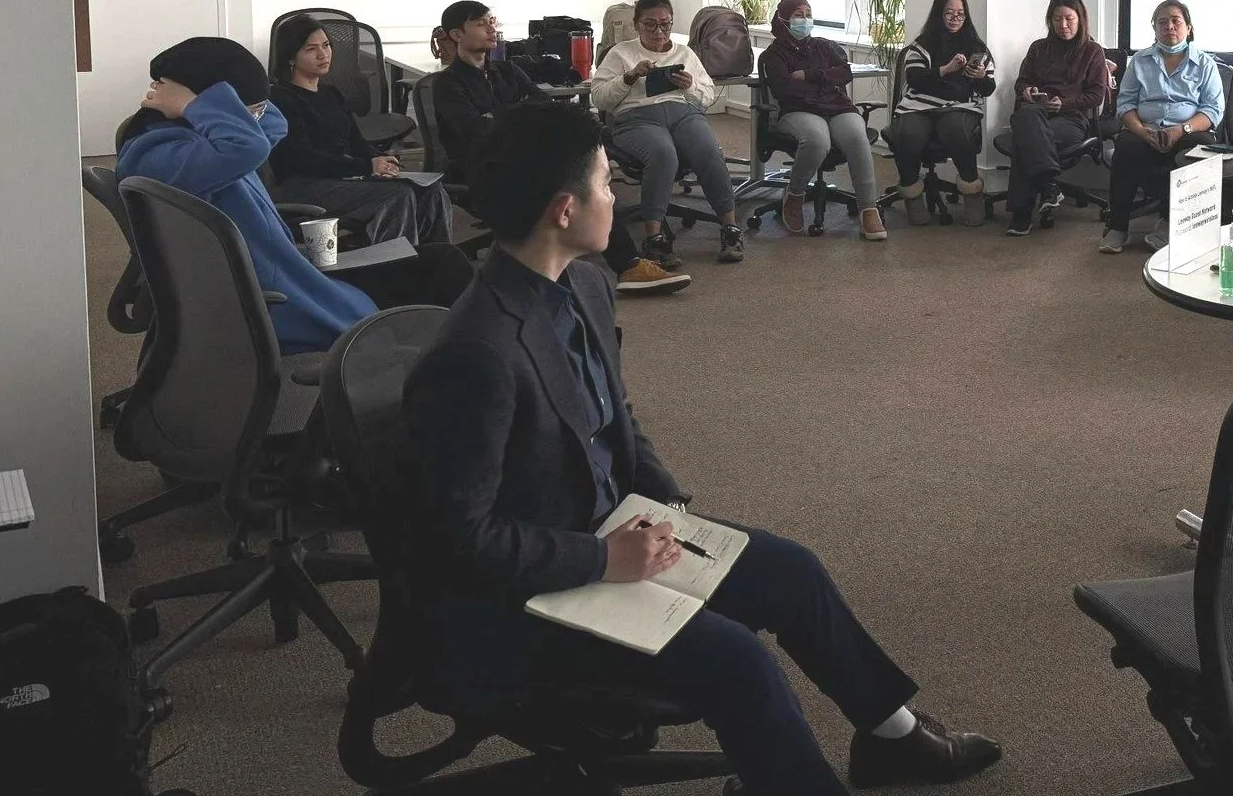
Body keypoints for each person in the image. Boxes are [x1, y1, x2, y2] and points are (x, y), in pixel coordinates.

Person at [403, 102, 1002, 795]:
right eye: (605, 184)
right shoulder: (477, 352)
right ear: (564, 211)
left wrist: (667, 501)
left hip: (612, 529)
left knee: (792, 572)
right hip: (532, 596)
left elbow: (610, 416)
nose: (615, 198)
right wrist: (604, 557)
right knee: (737, 659)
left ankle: (894, 737)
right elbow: (462, 543)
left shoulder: (588, 283)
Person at [116, 36, 471, 354]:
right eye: (245, 110)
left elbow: (273, 125)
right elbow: (249, 146)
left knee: (442, 262)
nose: (255, 119)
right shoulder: (160, 156)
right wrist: (197, 104)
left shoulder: (203, 145)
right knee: (443, 275)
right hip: (278, 302)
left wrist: (209, 104)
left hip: (297, 278)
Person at [437, 0, 679, 292]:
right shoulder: (448, 84)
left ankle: (627, 266)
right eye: (480, 24)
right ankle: (624, 264)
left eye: (491, 21)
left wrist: (503, 116)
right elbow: (477, 134)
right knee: (563, 186)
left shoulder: (508, 71)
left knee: (583, 177)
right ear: (456, 35)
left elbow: (548, 109)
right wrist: (520, 115)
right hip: (479, 171)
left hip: (528, 160)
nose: (491, 28)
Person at [267, 14, 455, 246]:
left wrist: (378, 158)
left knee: (431, 191)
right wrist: (366, 165)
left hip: (344, 175)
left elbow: (356, 141)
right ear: (291, 58)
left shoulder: (330, 94)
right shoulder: (282, 98)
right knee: (398, 196)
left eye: (326, 46)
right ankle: (396, 270)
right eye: (311, 49)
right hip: (304, 183)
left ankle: (435, 264)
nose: (323, 54)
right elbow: (301, 159)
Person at [591, 0, 744, 266]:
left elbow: (708, 96)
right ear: (637, 24)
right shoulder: (620, 53)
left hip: (683, 113)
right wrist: (629, 77)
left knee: (709, 150)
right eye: (650, 24)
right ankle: (654, 237)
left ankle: (730, 227)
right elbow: (599, 98)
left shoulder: (684, 52)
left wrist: (690, 85)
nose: (659, 31)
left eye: (665, 24)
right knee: (663, 154)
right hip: (637, 118)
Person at [1098, 0, 1224, 256]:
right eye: (1162, 22)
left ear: (1188, 27)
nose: (1169, 26)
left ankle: (1169, 223)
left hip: (1188, 131)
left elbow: (1212, 110)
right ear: (1154, 28)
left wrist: (1180, 129)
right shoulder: (1140, 62)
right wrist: (1143, 132)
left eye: (1176, 21)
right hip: (1146, 130)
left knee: (1195, 149)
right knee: (1127, 147)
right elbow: (1125, 105)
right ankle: (1118, 226)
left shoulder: (1205, 64)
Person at [758, 0, 887, 241]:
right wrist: (824, 81)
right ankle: (794, 195)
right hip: (798, 111)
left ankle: (868, 208)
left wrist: (809, 75)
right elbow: (785, 89)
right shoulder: (773, 55)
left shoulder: (824, 46)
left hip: (837, 107)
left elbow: (844, 73)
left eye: (808, 14)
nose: (804, 20)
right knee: (818, 141)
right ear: (783, 19)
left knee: (856, 137)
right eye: (798, 15)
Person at [1004, 0, 1112, 238]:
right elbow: (1021, 82)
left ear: (1080, 19)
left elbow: (1096, 96)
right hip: (1036, 113)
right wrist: (1027, 90)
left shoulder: (1092, 51)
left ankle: (1022, 212)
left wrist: (1063, 104)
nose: (1062, 25)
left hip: (1071, 118)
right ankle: (1048, 183)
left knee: (1025, 137)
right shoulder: (1039, 48)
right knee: (1027, 119)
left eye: (1069, 19)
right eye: (1056, 19)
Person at [886, 0, 995, 226]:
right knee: (908, 133)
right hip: (919, 103)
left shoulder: (976, 47)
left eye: (960, 14)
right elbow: (914, 79)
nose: (955, 18)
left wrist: (980, 77)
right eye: (949, 13)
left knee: (956, 129)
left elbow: (988, 89)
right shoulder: (922, 44)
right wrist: (945, 69)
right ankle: (912, 195)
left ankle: (971, 191)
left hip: (960, 105)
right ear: (939, 14)